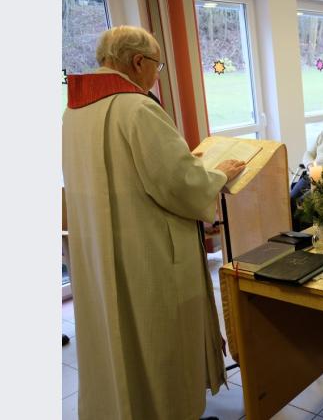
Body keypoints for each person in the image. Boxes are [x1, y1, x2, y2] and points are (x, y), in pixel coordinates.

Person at [62, 25, 246, 420]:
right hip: (148, 254)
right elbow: (179, 183)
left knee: (118, 343)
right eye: (157, 66)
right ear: (138, 62)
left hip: (103, 251)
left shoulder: (73, 111)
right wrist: (219, 174)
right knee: (157, 340)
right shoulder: (137, 108)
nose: (156, 75)